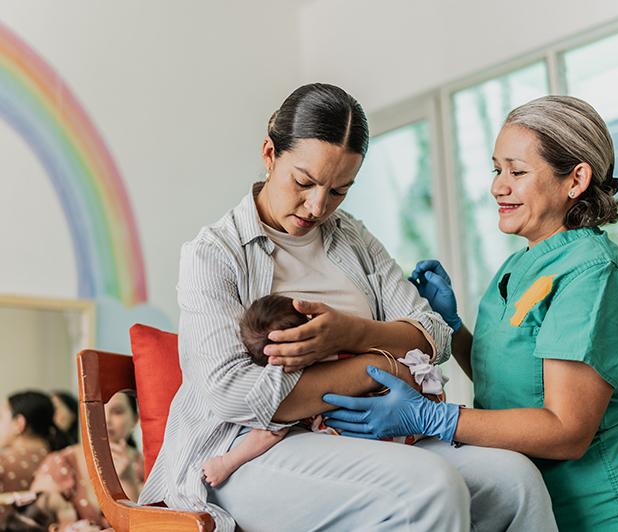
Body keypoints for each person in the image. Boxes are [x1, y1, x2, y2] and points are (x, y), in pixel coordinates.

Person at [139, 83, 557, 532]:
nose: (318, 206)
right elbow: (233, 395)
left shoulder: (351, 239)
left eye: (339, 190)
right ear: (269, 153)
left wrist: (351, 335)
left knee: (516, 480)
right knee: (428, 487)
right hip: (248, 450)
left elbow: (432, 334)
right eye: (304, 182)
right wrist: (379, 368)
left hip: (369, 429)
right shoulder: (214, 254)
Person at [323, 95, 618, 531]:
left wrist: (432, 417)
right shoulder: (519, 264)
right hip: (538, 505)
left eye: (517, 171)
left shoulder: (595, 275)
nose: (498, 186)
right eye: (497, 169)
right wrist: (454, 329)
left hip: (612, 514)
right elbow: (514, 386)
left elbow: (567, 430)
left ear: (576, 179)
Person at [201, 294, 446, 487]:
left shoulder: (300, 390)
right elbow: (417, 368)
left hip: (366, 447)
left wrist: (226, 462)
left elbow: (269, 434)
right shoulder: (350, 351)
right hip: (412, 429)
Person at [31, 392, 144, 529]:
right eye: (97, 410)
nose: (106, 419)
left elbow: (145, 526)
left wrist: (127, 480)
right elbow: (35, 520)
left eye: (117, 412)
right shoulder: (60, 462)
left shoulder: (149, 466)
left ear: (135, 420)